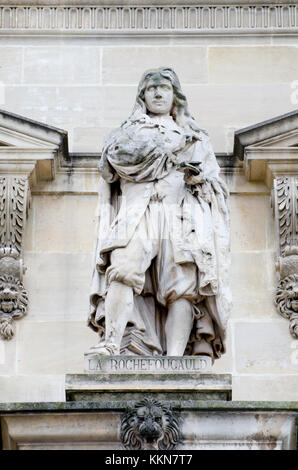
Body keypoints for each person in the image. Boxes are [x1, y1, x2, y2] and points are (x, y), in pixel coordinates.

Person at [88, 67, 231, 361]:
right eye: (151, 88)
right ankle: (112, 343)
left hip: (180, 213)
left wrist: (198, 178)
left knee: (182, 285)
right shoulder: (127, 132)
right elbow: (113, 163)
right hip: (139, 210)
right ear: (142, 95)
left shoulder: (195, 137)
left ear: (174, 95)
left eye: (164, 87)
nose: (157, 93)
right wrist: (165, 154)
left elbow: (216, 184)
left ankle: (176, 359)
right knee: (123, 268)